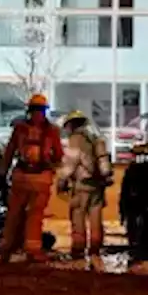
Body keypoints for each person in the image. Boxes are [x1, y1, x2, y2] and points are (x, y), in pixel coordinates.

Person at [0, 93, 64, 263]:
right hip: (40, 178)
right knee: (33, 215)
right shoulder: (52, 131)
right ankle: (31, 250)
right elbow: (58, 155)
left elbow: (9, 152)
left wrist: (2, 173)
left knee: (14, 214)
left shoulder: (20, 129)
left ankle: (7, 249)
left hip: (22, 177)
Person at [56, 110, 113, 261]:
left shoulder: (77, 139)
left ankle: (78, 249)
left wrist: (61, 180)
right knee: (96, 218)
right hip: (97, 186)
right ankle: (95, 249)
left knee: (78, 217)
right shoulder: (96, 137)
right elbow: (104, 163)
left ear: (72, 125)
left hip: (81, 186)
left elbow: (71, 162)